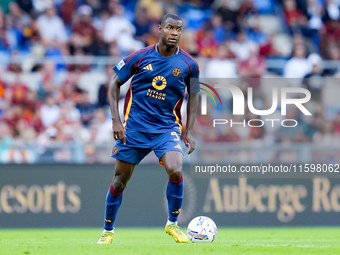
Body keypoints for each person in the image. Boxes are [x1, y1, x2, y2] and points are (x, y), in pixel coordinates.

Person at [97, 13, 199, 244]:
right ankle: (108, 230)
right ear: (160, 29)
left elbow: (194, 96)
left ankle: (172, 224)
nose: (174, 33)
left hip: (166, 128)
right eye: (170, 28)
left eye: (179, 29)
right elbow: (114, 83)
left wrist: (188, 130)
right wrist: (116, 120)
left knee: (175, 169)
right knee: (119, 181)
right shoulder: (140, 56)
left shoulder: (189, 64)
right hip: (134, 127)